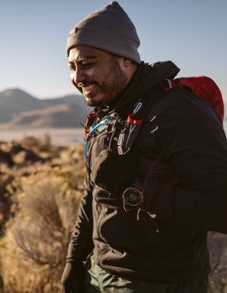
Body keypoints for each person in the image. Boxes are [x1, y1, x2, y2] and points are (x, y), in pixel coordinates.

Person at [61, 2, 227, 292]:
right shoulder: (107, 113)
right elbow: (94, 191)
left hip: (160, 282)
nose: (77, 78)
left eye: (88, 63)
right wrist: (74, 259)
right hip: (98, 273)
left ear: (126, 60)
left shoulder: (177, 111)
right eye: (72, 67)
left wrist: (135, 190)